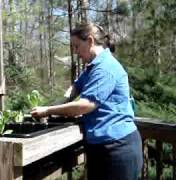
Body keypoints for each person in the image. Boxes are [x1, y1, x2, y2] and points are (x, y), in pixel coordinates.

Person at [31, 22, 143, 180]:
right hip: (102, 146)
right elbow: (75, 87)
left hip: (118, 148)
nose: (75, 52)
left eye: (77, 46)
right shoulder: (92, 68)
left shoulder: (105, 68)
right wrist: (58, 103)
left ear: (90, 41)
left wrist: (49, 110)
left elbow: (86, 105)